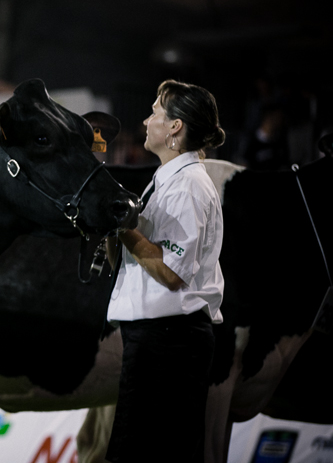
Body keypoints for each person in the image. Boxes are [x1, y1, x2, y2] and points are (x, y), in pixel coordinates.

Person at [104, 80, 226, 463]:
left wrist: (124, 228)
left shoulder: (188, 185)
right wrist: (112, 226)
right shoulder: (168, 180)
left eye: (155, 112)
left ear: (175, 127)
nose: (145, 120)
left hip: (171, 343)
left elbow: (170, 272)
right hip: (160, 340)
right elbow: (132, 261)